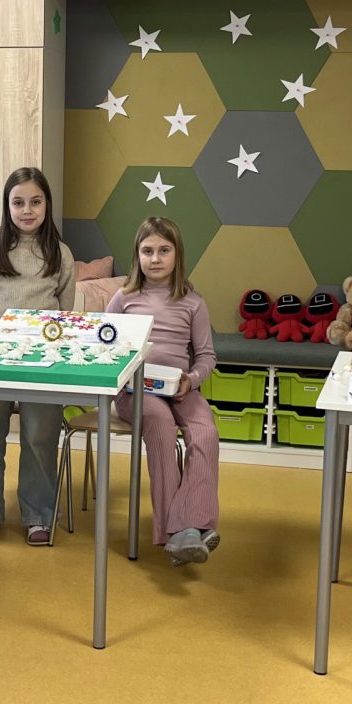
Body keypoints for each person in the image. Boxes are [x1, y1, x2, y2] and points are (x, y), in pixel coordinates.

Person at [0, 166, 75, 546]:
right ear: (7, 206)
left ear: (47, 205)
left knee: (39, 438)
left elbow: (66, 312)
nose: (27, 210)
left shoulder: (60, 254)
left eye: (35, 202)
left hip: (43, 361)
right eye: (18, 202)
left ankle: (38, 515)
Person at [105, 217, 221, 565]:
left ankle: (191, 524)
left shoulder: (193, 302)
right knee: (160, 423)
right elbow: (105, 347)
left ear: (177, 254)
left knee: (206, 431)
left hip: (180, 388)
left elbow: (206, 356)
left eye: (163, 251)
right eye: (147, 251)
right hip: (135, 393)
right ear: (137, 255)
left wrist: (191, 380)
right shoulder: (124, 298)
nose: (155, 259)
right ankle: (179, 532)